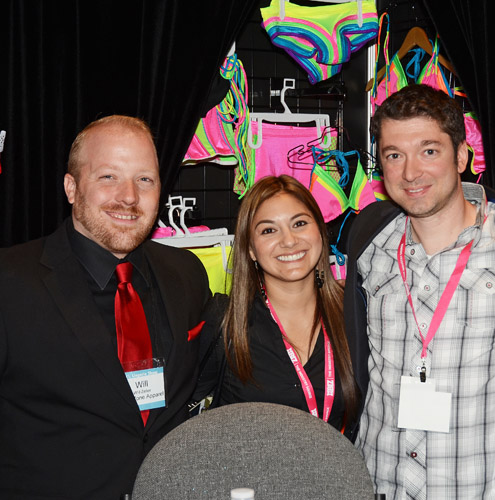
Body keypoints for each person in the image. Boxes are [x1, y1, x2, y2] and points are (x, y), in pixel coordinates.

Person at [343, 84, 495, 499]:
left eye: (429, 151)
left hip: (480, 487)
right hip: (380, 483)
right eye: (394, 155)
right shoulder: (369, 238)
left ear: (462, 156)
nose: (411, 173)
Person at [0, 115, 211, 499]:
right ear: (71, 187)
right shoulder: (9, 284)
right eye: (108, 177)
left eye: (144, 179)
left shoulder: (187, 273)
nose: (129, 197)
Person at [212, 175, 360, 434]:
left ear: (320, 232)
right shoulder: (224, 323)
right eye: (269, 230)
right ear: (251, 249)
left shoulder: (355, 313)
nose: (289, 240)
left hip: (336, 460)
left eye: (299, 223)